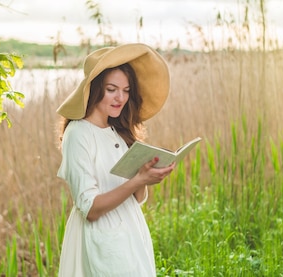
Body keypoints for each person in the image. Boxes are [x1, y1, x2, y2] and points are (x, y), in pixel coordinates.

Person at [55, 43, 175, 276]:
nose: (120, 97)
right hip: (102, 241)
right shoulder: (79, 134)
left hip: (131, 234)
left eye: (126, 90)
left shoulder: (118, 130)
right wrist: (138, 180)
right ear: (95, 88)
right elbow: (89, 208)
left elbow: (136, 198)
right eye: (112, 89)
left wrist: (146, 176)